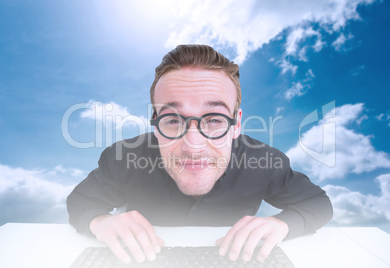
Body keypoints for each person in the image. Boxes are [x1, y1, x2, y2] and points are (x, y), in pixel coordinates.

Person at [67, 44, 333, 264]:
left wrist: (283, 224)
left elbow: (318, 203)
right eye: (172, 119)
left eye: (215, 119)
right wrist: (99, 221)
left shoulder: (265, 161)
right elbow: (80, 201)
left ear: (236, 124)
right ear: (155, 122)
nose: (193, 145)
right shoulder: (122, 157)